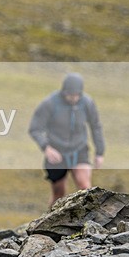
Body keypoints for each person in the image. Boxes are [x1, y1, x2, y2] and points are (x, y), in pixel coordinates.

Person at [29, 72, 105, 206]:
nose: (73, 98)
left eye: (76, 95)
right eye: (70, 95)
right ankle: (50, 224)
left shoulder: (87, 103)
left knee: (85, 189)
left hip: (79, 150)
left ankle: (87, 224)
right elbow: (35, 128)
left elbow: (96, 126)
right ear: (64, 91)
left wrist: (100, 152)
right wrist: (46, 148)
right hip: (57, 153)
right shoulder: (50, 103)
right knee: (59, 195)